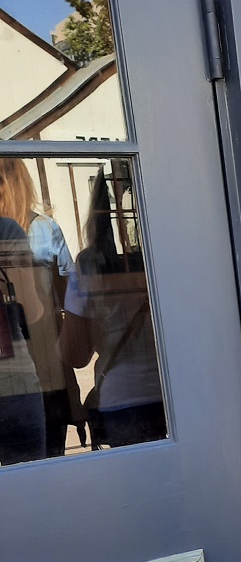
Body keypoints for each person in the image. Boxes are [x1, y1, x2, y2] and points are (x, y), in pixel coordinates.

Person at [59, 167, 166, 448]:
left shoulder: (88, 266)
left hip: (121, 397)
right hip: (174, 391)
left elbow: (75, 355)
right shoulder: (164, 258)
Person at [0, 158, 83, 456]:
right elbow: (66, 303)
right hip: (44, 367)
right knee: (47, 467)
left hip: (16, 367)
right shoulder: (45, 230)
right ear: (24, 183)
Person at [0, 214, 48, 464]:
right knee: (30, 481)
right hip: (14, 381)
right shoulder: (7, 230)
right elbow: (32, 310)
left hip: (15, 382)